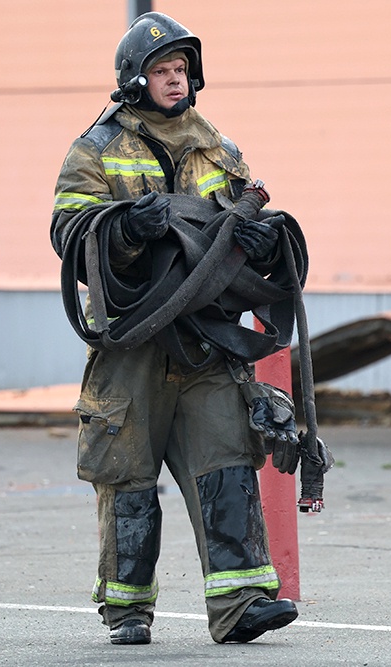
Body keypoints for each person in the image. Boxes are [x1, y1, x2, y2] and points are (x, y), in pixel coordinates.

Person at [50, 12, 302, 646]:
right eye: (162, 70)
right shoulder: (96, 150)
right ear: (135, 79)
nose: (174, 80)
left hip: (206, 341)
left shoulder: (216, 145)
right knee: (128, 477)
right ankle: (128, 609)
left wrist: (261, 243)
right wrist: (124, 229)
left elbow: (244, 221)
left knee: (228, 463)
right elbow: (67, 233)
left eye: (181, 70)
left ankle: (241, 603)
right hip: (132, 345)